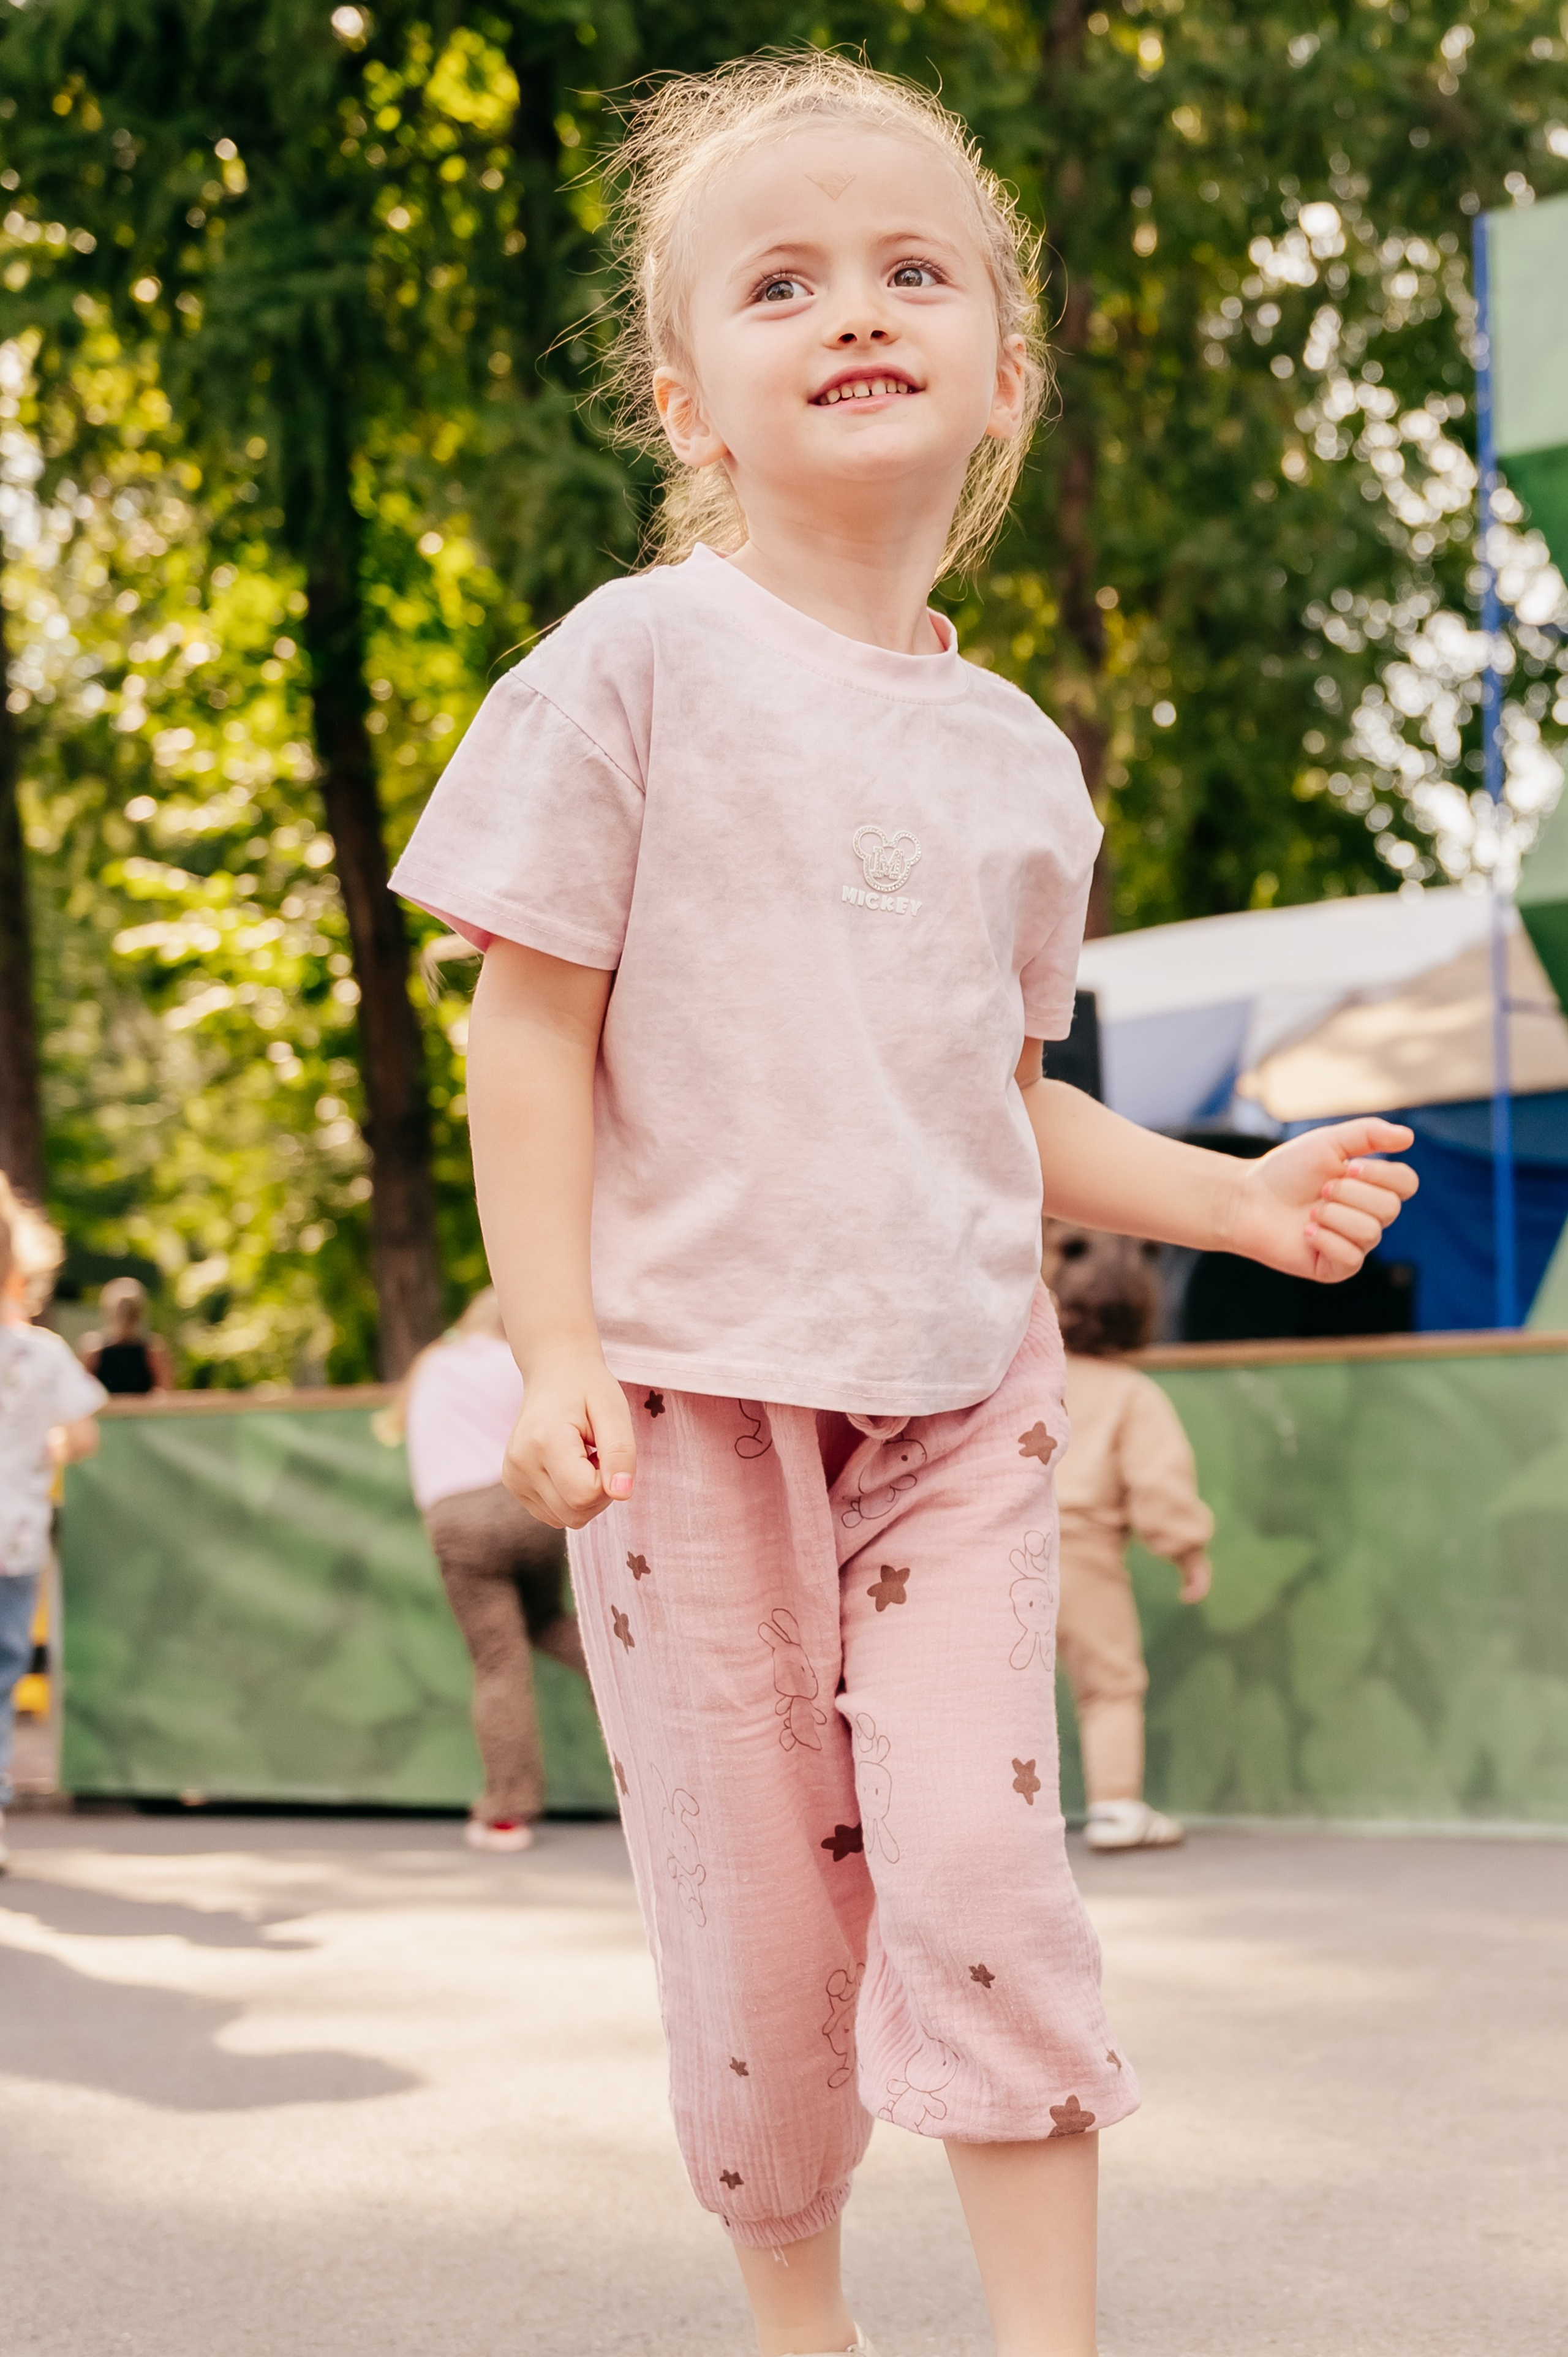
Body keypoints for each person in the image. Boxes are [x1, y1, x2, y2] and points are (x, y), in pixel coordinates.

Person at [390, 55, 1417, 2357]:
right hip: (686, 1413)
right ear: (691, 395)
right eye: (780, 280)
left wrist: (1235, 1200)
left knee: (976, 1870)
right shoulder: (630, 664)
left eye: (906, 267)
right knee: (760, 1955)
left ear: (996, 362)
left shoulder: (1012, 759)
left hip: (959, 1402)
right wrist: (553, 1342)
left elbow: (997, 1095)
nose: (850, 304)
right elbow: (525, 1028)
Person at [392, 1288, 590, 1852]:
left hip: (457, 1518)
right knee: (549, 1621)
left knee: (498, 1661)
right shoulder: (520, 1364)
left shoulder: (431, 1362)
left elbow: (398, 1425)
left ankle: (508, 1813)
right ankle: (644, 1692)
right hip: (525, 1507)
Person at [1046, 1224, 1214, 1855]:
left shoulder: (1026, 1377)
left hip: (1000, 1541)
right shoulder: (1131, 1393)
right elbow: (1158, 1482)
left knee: (1000, 1683)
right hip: (1083, 1551)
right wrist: (1185, 1547)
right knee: (1109, 1683)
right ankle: (1116, 1806)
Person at [0, 1180, 106, 1873]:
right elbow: (84, 1433)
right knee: (4, 1670)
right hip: (16, 1532)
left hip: (17, 1533)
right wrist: (54, 1446)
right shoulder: (39, 1354)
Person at [79, 1275, 173, 1395]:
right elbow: (83, 1394)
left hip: (143, 1412)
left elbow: (166, 1392)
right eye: (121, 1311)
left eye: (131, 1311)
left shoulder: (153, 1350)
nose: (125, 1316)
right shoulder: (94, 1351)